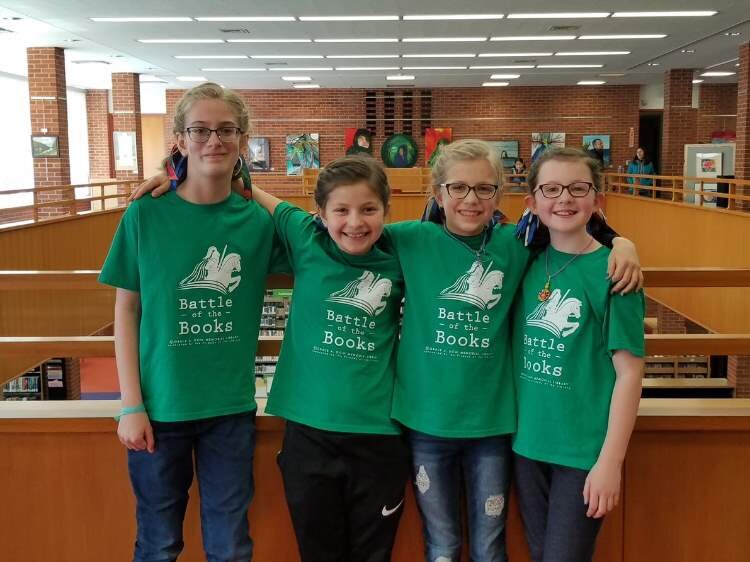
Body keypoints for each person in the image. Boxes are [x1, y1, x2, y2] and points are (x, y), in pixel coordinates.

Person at [132, 155, 410, 562]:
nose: (355, 222)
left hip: (379, 436)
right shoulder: (305, 236)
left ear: (387, 210)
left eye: (369, 209)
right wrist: (178, 174)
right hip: (308, 435)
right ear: (320, 214)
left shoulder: (404, 249)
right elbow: (251, 190)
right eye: (342, 211)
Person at [386, 139, 642, 562]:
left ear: (500, 196)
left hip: (498, 426)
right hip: (432, 423)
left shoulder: (518, 246)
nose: (471, 199)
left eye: (484, 188)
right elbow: (350, 231)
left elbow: (571, 224)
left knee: (491, 546)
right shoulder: (409, 240)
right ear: (438, 194)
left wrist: (622, 243)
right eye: (458, 188)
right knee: (443, 545)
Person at [100, 82, 286, 562]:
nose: (214, 141)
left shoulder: (258, 222)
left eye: (227, 130)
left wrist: (250, 189)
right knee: (159, 543)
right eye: (200, 130)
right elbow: (126, 311)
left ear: (243, 140)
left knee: (231, 545)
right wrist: (130, 404)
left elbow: (321, 237)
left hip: (230, 410)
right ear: (180, 139)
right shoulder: (145, 214)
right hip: (160, 410)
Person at [513, 147, 645, 562]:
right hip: (526, 447)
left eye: (578, 188)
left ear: (597, 199)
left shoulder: (616, 274)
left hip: (582, 454)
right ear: (532, 202)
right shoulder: (523, 260)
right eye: (551, 189)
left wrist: (610, 462)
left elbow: (629, 374)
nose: (564, 198)